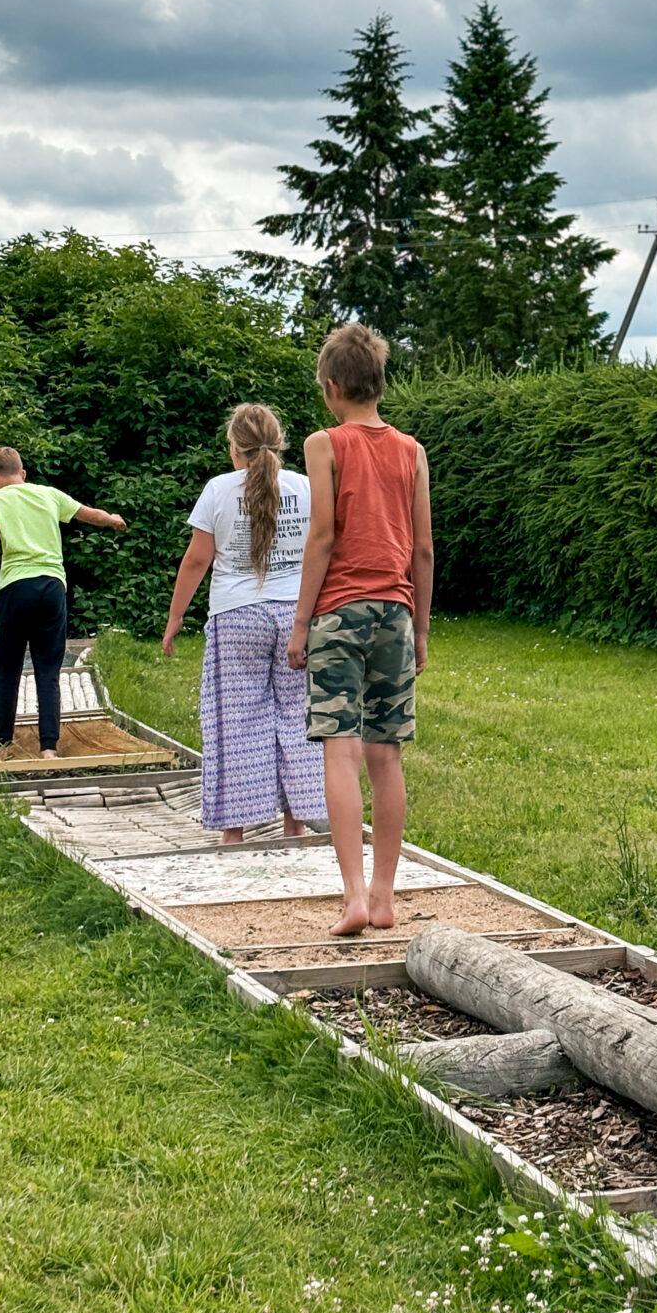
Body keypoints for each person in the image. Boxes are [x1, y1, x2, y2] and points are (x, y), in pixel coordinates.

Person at [287, 323, 433, 937]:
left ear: (330, 387)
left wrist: (300, 624)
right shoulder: (412, 451)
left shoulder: (324, 443)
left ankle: (350, 896)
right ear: (378, 382)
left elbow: (322, 535)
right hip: (395, 612)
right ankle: (383, 897)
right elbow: (423, 549)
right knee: (386, 754)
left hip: (338, 612)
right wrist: (420, 630)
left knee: (340, 753)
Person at [163, 404, 326, 842]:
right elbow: (325, 548)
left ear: (234, 447)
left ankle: (233, 833)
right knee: (297, 719)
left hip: (237, 618)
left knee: (233, 722)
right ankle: (296, 824)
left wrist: (175, 616)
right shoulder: (306, 488)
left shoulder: (218, 490)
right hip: (297, 617)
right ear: (280, 442)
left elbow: (197, 559)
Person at [0, 447, 126, 758]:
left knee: (8, 667)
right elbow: (89, 514)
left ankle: (2, 743)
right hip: (52, 587)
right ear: (22, 474)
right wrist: (113, 520)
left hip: (16, 588)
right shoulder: (49, 494)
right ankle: (49, 747)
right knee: (48, 669)